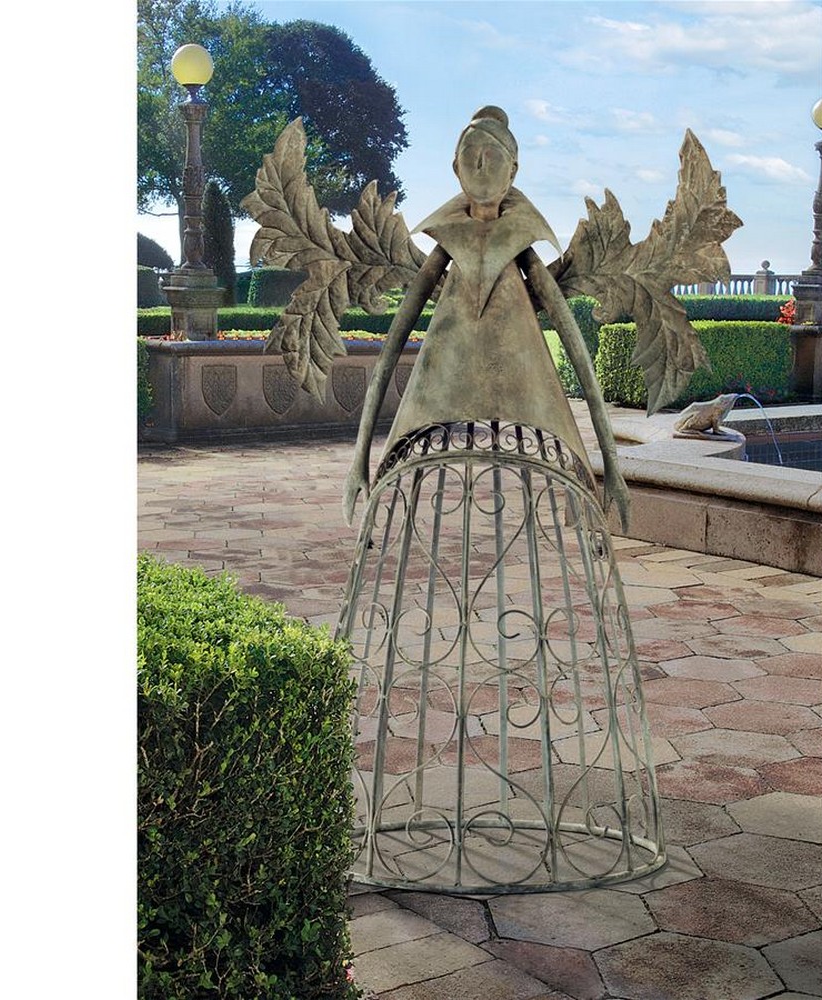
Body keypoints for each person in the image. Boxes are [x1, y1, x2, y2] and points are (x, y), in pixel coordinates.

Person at [338, 106, 664, 893]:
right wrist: (362, 456)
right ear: (455, 169)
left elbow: (573, 344)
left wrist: (609, 464)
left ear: (513, 168)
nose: (481, 167)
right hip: (435, 396)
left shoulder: (522, 244)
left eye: (493, 156)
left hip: (532, 401)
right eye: (469, 156)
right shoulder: (446, 241)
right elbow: (396, 340)